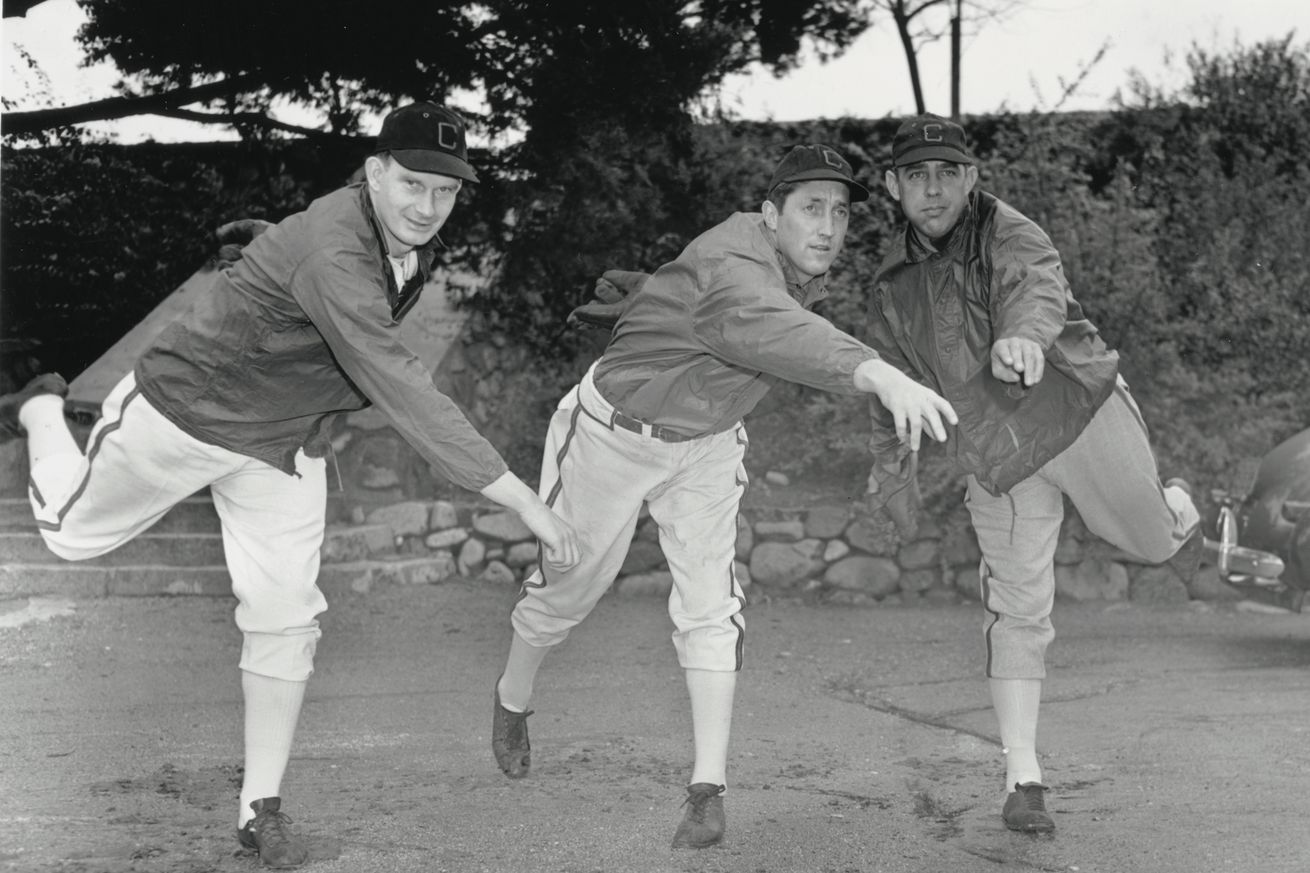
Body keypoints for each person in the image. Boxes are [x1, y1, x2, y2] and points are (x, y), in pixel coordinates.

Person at [0, 102, 580, 868]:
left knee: (284, 616)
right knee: (71, 535)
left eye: (444, 192)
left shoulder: (406, 242)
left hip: (280, 442)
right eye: (410, 183)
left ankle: (259, 809)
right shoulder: (334, 248)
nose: (427, 206)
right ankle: (40, 406)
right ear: (373, 173)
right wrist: (521, 497)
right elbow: (399, 381)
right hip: (188, 412)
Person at [489, 144, 959, 849]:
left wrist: (659, 299)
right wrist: (875, 372)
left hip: (707, 443)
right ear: (770, 215)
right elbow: (760, 318)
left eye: (838, 211)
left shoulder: (785, 270)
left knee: (711, 606)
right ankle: (511, 697)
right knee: (568, 587)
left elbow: (750, 317)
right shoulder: (735, 262)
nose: (828, 226)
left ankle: (706, 790)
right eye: (810, 208)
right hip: (612, 436)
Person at [863, 114, 1202, 833]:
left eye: (947, 172)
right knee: (1017, 609)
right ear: (893, 185)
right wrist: (890, 478)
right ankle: (1024, 778)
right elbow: (889, 388)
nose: (933, 188)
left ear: (971, 178)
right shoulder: (891, 286)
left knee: (1153, 542)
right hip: (998, 452)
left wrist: (1022, 335)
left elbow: (1035, 287)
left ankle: (1180, 507)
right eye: (916, 175)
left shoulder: (1010, 231)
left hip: (1077, 409)